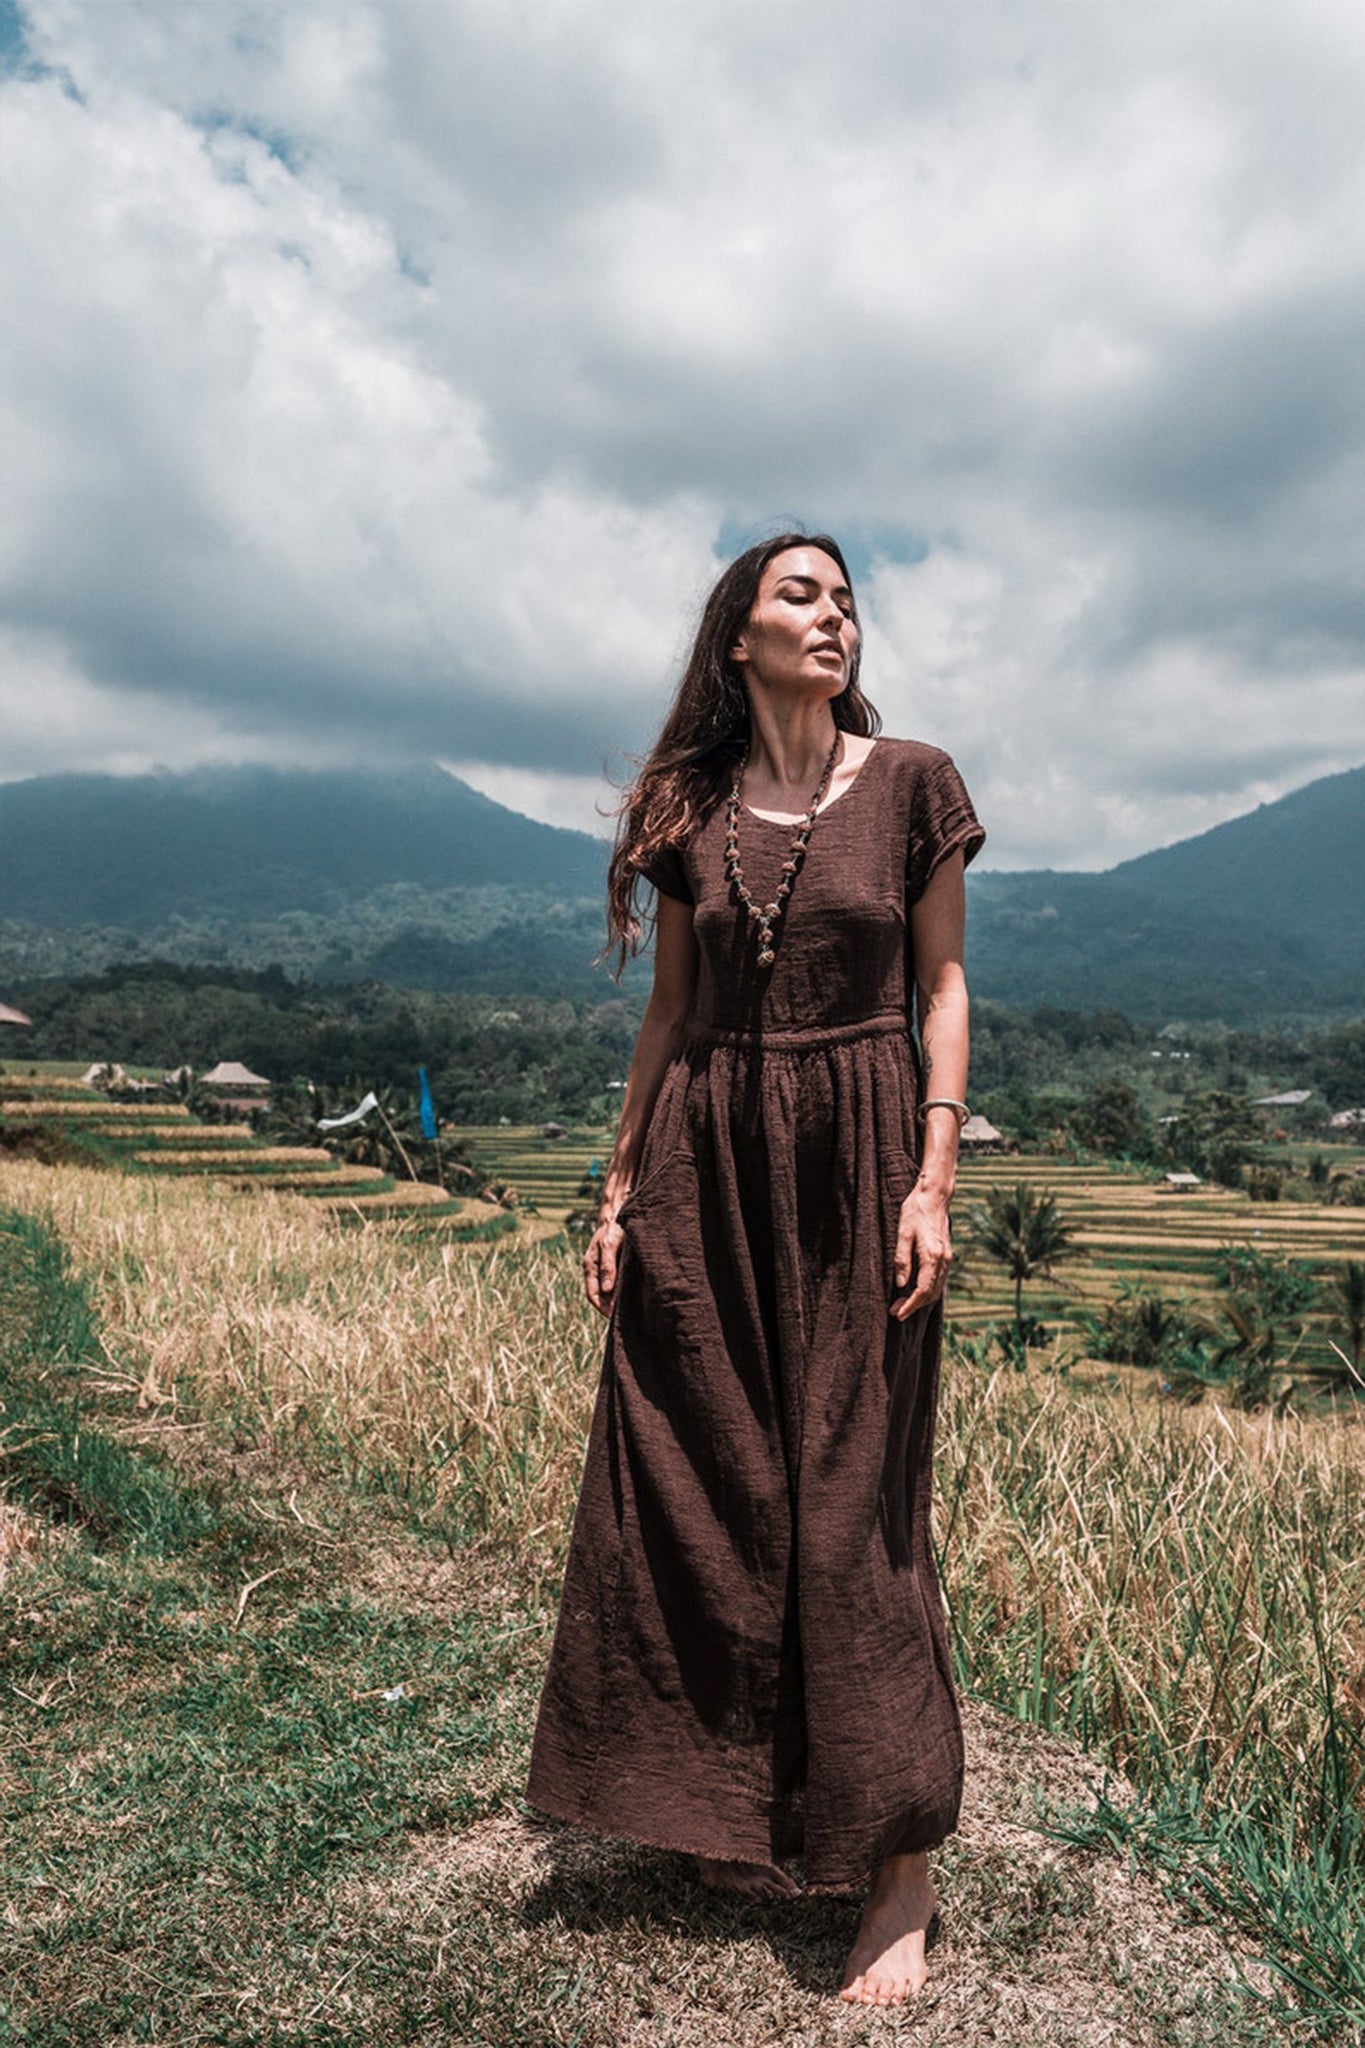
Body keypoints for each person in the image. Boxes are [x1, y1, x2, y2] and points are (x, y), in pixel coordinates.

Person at [526, 532, 985, 2006]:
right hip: (706, 1155)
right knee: (706, 1479)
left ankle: (896, 1871)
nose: (833, 615)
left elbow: (941, 986)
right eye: (801, 595)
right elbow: (666, 1018)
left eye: (847, 599)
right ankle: (733, 1814)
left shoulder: (912, 780)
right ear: (738, 634)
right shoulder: (692, 810)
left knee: (855, 1507)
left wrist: (931, 1178)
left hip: (858, 1160)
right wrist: (615, 1192)